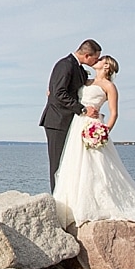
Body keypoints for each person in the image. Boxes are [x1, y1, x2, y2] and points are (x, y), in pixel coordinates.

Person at [51, 55, 135, 227]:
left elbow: (114, 113)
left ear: (106, 67)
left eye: (101, 59)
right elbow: (66, 92)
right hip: (77, 124)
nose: (97, 60)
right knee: (74, 163)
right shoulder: (86, 81)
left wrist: (104, 131)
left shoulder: (109, 86)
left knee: (97, 165)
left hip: (93, 125)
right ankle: (71, 205)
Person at [39, 39, 102, 191]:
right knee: (57, 163)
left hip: (72, 122)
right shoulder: (65, 65)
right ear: (87, 55)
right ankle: (56, 198)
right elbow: (58, 93)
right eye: (96, 58)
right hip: (57, 121)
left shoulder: (79, 69)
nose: (97, 61)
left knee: (69, 163)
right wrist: (83, 109)